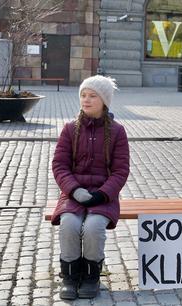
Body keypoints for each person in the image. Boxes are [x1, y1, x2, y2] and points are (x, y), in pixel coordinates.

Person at [51, 75, 130, 300]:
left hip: (103, 197)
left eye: (92, 96)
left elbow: (120, 171)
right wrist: (74, 190)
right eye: (83, 95)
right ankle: (70, 276)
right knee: (69, 224)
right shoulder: (69, 130)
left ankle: (91, 276)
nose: (86, 100)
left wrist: (102, 195)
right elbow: (59, 165)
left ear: (104, 100)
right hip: (72, 194)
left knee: (94, 228)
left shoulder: (117, 132)